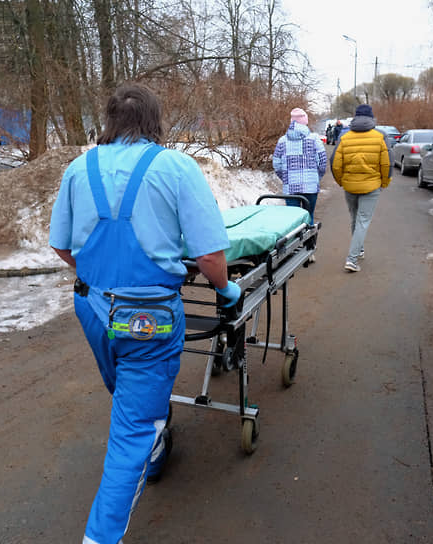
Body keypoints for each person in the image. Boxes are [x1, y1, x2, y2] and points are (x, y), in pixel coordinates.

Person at [48, 83, 240, 544]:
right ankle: (101, 536)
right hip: (148, 319)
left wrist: (100, 280)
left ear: (110, 121)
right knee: (133, 425)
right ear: (155, 121)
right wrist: (226, 290)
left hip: (92, 308)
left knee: (125, 390)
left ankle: (154, 450)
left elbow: (60, 244)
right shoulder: (175, 168)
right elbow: (210, 256)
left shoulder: (79, 168)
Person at [330, 104, 391, 273]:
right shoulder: (379, 137)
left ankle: (359, 249)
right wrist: (384, 182)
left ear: (355, 118)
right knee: (363, 222)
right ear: (372, 119)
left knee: (354, 218)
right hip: (372, 186)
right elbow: (386, 163)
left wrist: (342, 181)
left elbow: (335, 163)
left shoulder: (345, 138)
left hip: (350, 186)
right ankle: (351, 259)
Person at [272, 107, 327, 227]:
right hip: (310, 186)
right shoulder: (314, 139)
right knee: (309, 215)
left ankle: (295, 244)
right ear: (305, 122)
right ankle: (310, 244)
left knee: (294, 220)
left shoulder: (282, 141)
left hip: (291, 187)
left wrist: (286, 178)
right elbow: (322, 162)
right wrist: (316, 177)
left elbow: (276, 164)